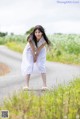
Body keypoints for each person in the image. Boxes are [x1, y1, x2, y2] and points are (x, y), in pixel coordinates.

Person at [21, 25, 51, 90]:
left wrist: (36, 56)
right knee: (29, 65)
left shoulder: (44, 40)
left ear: (42, 33)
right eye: (36, 32)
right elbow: (33, 50)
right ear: (34, 33)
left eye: (39, 32)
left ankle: (44, 85)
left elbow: (38, 50)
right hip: (29, 50)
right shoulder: (30, 38)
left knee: (41, 65)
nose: (37, 34)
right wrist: (34, 57)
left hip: (40, 50)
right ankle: (26, 85)